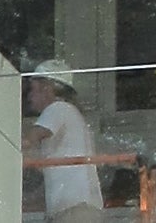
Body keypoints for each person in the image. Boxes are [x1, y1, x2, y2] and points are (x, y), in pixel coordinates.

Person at [24, 60, 106, 223]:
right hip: (81, 208)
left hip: (74, 210)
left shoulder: (57, 109)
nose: (29, 97)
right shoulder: (72, 116)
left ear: (47, 88)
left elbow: (28, 141)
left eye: (33, 90)